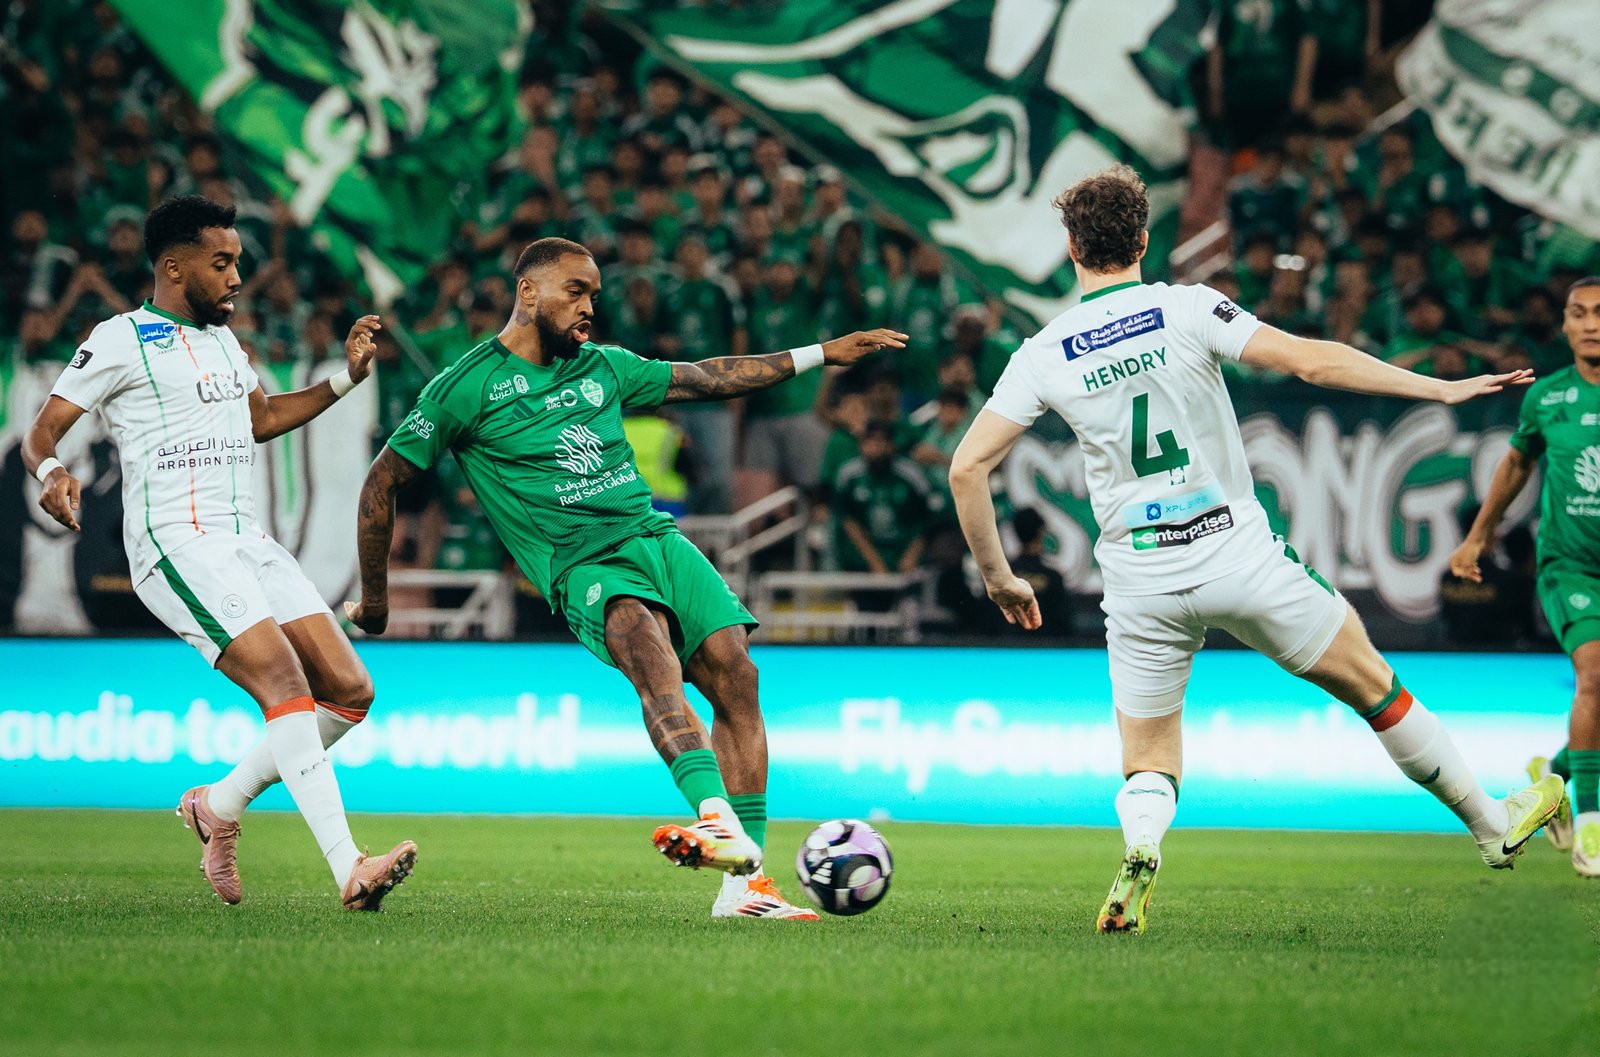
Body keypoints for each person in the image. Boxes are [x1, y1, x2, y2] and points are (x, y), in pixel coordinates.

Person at [947, 166, 1564, 934]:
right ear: (1144, 239)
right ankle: (1490, 824)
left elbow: (966, 467)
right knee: (1377, 689)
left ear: (1072, 247)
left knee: (1148, 756)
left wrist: (1000, 577)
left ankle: (1143, 845)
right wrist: (1436, 389)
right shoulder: (1186, 307)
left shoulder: (1043, 352)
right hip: (1235, 554)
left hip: (1140, 576)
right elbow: (1309, 360)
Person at [348, 236, 905, 920]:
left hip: (655, 540)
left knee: (737, 672)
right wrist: (375, 601)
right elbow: (381, 482)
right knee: (647, 647)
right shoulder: (466, 386)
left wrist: (821, 353)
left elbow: (708, 377)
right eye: (575, 291)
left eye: (594, 295)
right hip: (582, 562)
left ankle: (746, 888)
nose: (590, 307)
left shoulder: (604, 367)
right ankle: (716, 820)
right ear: (528, 292)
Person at [21, 195, 415, 910]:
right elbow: (41, 432)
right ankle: (350, 868)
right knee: (285, 684)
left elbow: (262, 418)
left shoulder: (225, 342)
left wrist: (345, 378)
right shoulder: (119, 338)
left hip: (246, 539)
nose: (237, 277)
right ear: (175, 267)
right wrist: (51, 472)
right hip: (175, 543)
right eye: (222, 262)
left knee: (351, 691)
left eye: (237, 261)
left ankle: (218, 807)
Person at [1450, 277, 1600, 876]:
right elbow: (1516, 464)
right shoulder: (1549, 397)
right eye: (1579, 313)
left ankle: (1551, 777)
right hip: (1571, 566)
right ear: (1563, 325)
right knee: (1595, 674)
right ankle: (1591, 827)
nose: (1591, 324)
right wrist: (1477, 536)